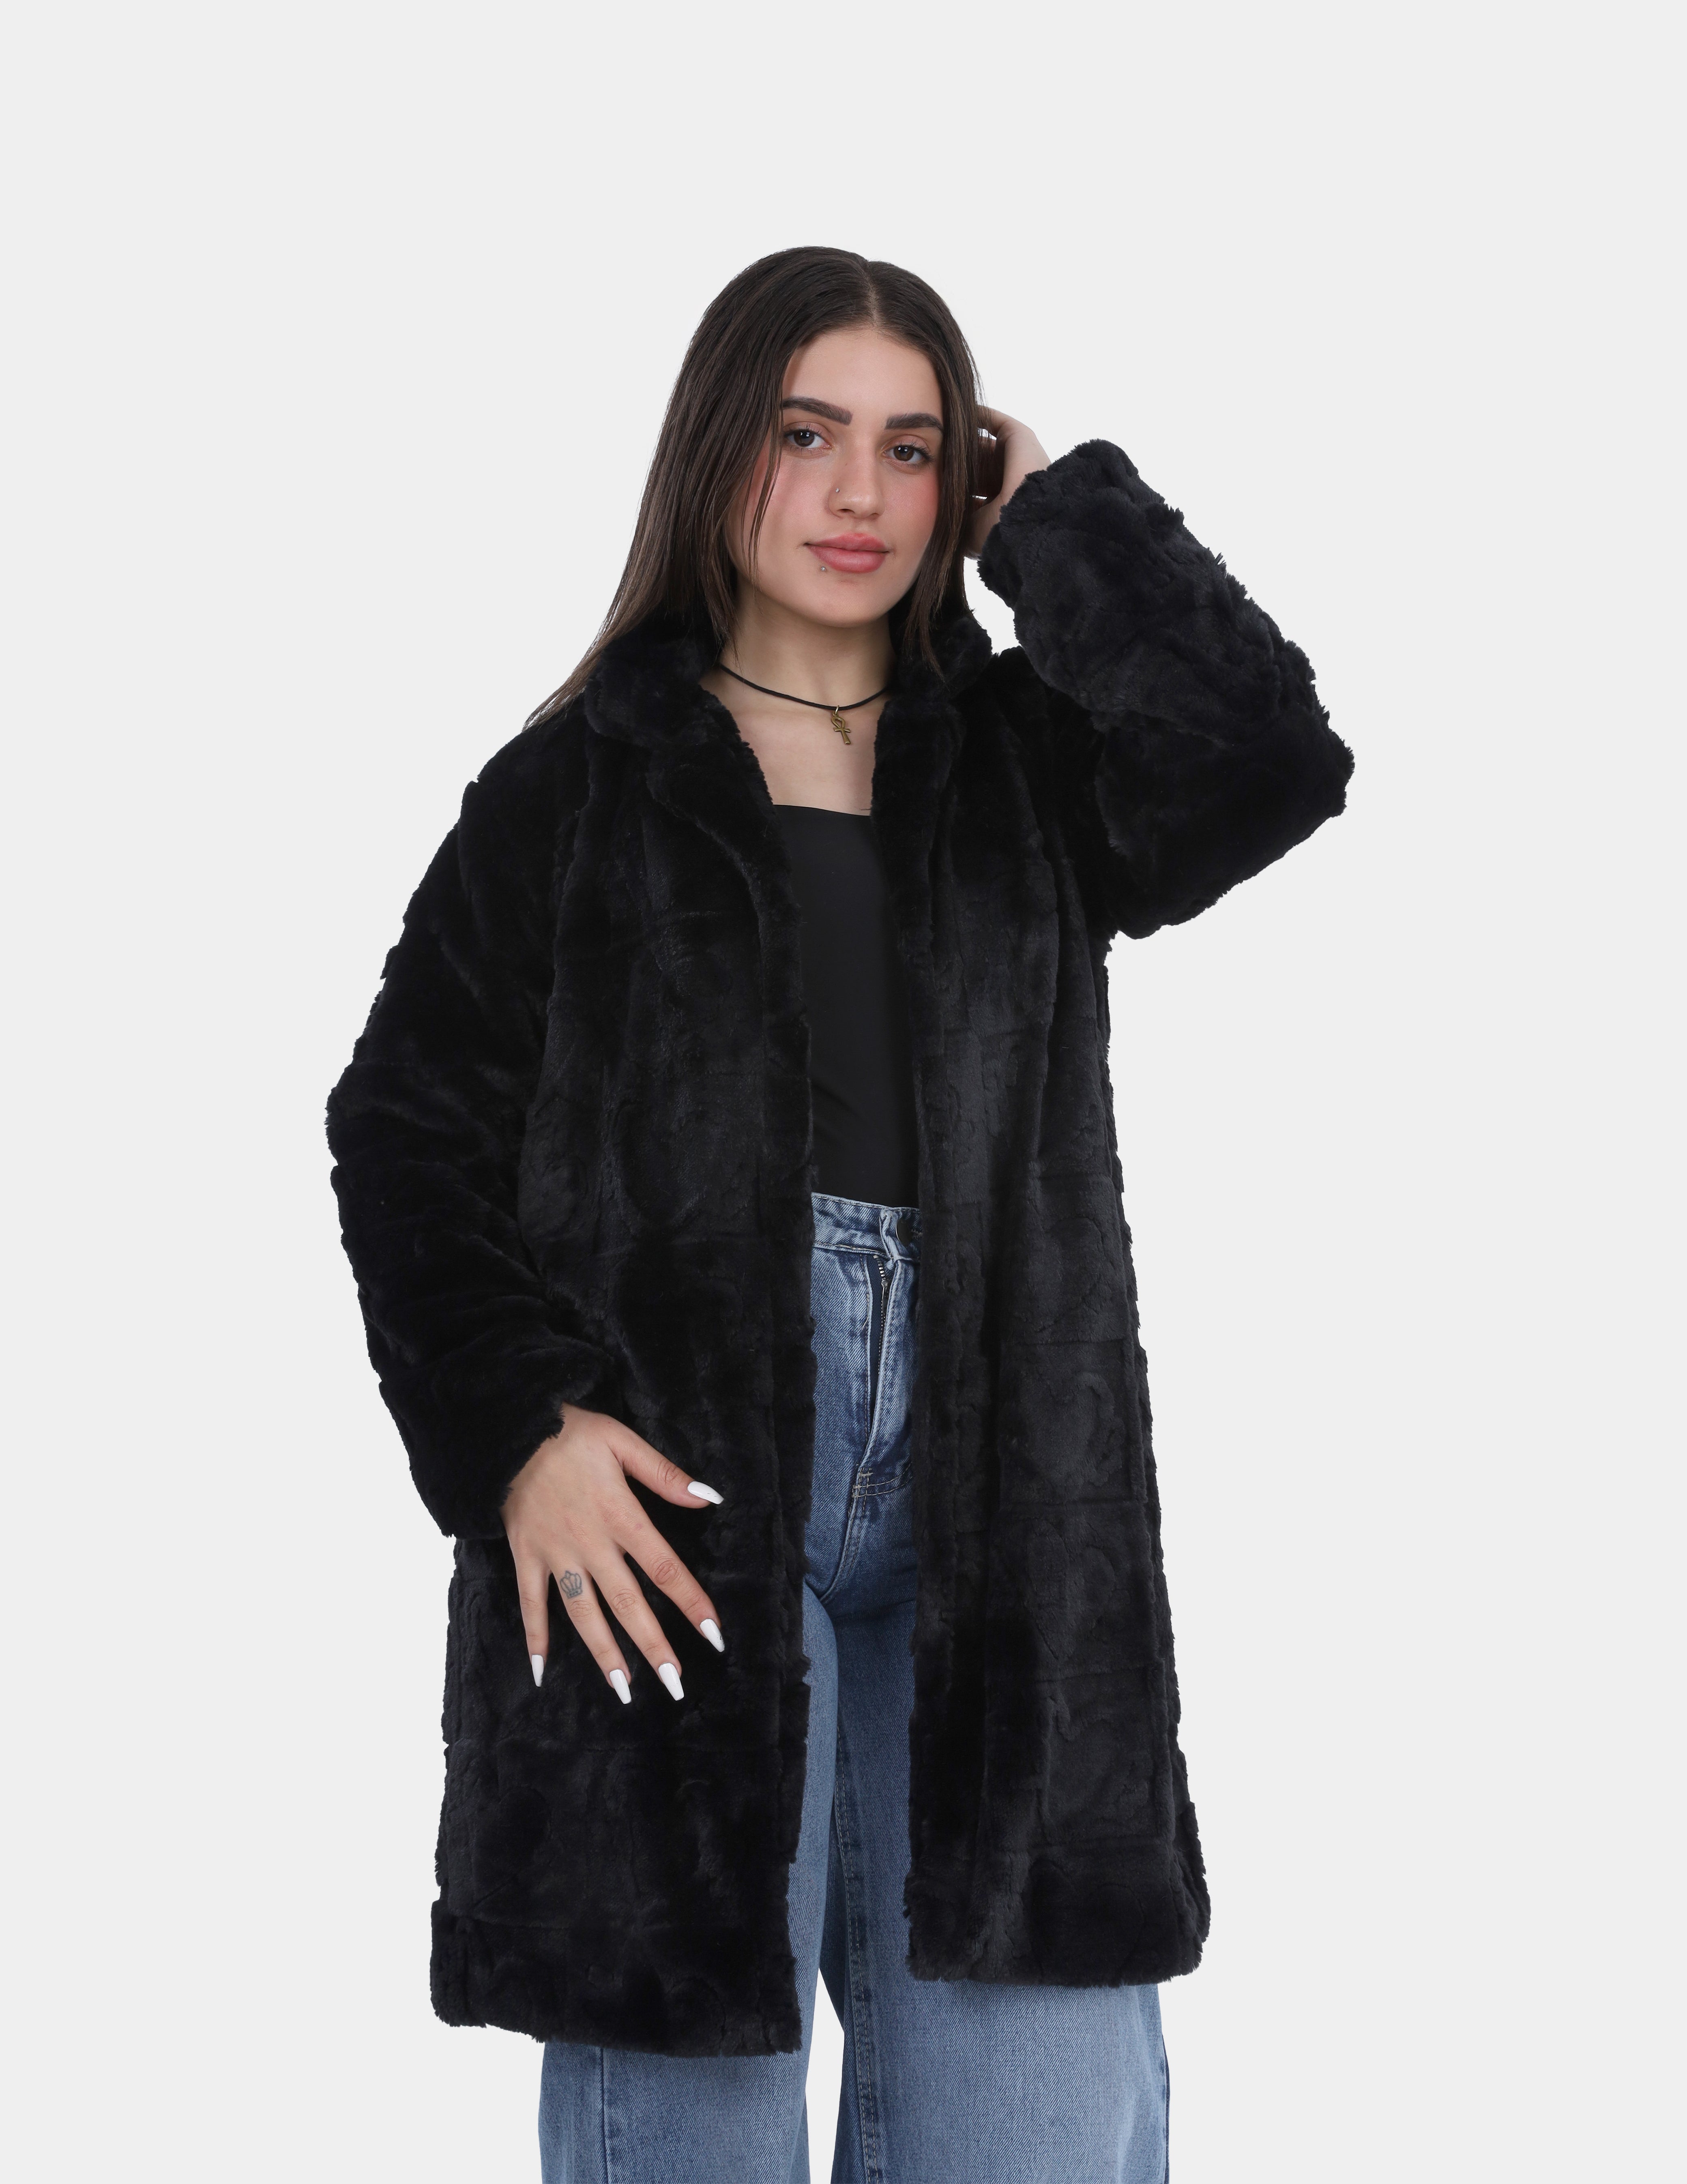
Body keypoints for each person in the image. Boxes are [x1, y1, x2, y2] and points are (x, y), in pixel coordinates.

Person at [325, 245, 1353, 2184]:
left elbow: (1269, 763)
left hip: (1004, 1490)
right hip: (682, 1478)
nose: (859, 494)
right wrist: (517, 1429)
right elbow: (402, 1128)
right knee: (686, 2087)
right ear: (718, 449)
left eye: (910, 448)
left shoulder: (1030, 766)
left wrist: (1059, 524)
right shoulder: (576, 785)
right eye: (805, 436)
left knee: (1035, 2113)